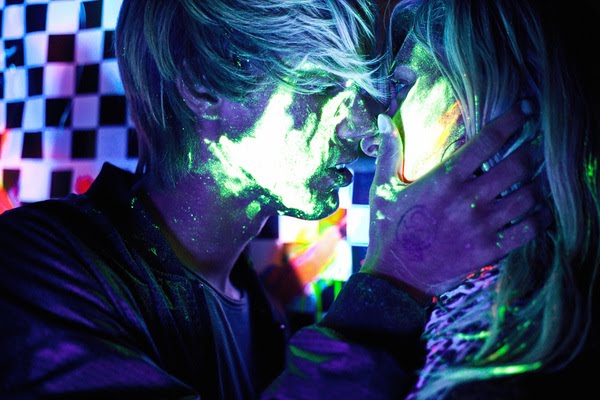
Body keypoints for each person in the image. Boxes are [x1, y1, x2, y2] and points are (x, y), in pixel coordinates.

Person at [0, 0, 547, 398]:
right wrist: (396, 279)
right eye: (329, 85)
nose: (364, 129)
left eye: (374, 93)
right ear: (203, 82)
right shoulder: (30, 268)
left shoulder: (264, 317)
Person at [375, 0, 600, 398]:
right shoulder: (507, 312)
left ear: (477, 110)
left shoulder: (502, 371)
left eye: (402, 86)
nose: (375, 131)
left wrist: (389, 275)